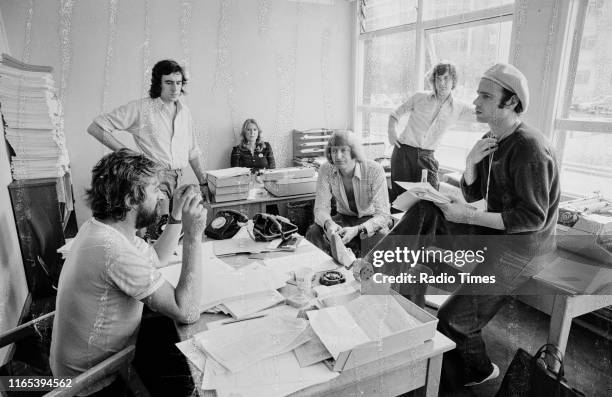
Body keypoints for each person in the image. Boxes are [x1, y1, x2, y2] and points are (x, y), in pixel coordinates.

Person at [356, 63, 560, 390]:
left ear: (510, 103)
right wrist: (470, 167)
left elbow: (531, 219)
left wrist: (466, 217)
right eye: (478, 93)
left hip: (523, 249)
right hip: (497, 234)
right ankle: (373, 271)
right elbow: (480, 198)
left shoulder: (529, 147)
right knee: (426, 207)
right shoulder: (491, 138)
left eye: (485, 95)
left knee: (453, 320)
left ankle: (481, 371)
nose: (476, 101)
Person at [50, 149, 207, 396]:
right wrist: (194, 235)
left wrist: (176, 217)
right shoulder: (113, 250)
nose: (161, 197)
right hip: (88, 385)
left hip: (83, 367)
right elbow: (186, 311)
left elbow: (157, 258)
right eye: (155, 189)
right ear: (130, 200)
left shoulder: (105, 228)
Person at [87, 59, 209, 209]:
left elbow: (192, 151)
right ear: (159, 83)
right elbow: (96, 128)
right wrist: (129, 155)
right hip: (153, 180)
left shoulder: (185, 112)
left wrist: (203, 182)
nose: (175, 88)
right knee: (157, 229)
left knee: (174, 228)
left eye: (178, 82)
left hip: (178, 180)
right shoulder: (142, 109)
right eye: (169, 82)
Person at [388, 62, 474, 196]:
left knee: (430, 199)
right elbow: (395, 114)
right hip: (403, 152)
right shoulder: (419, 97)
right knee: (401, 199)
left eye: (446, 78)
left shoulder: (459, 107)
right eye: (438, 79)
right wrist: (391, 132)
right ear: (433, 81)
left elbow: (483, 113)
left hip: (427, 157)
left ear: (453, 81)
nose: (442, 83)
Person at [305, 130, 391, 258]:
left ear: (353, 151)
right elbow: (320, 208)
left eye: (343, 150)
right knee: (313, 232)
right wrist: (329, 224)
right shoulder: (325, 169)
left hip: (369, 219)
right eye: (334, 151)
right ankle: (327, 271)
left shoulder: (374, 170)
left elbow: (384, 215)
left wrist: (357, 230)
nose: (338, 156)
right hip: (343, 219)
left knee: (382, 241)